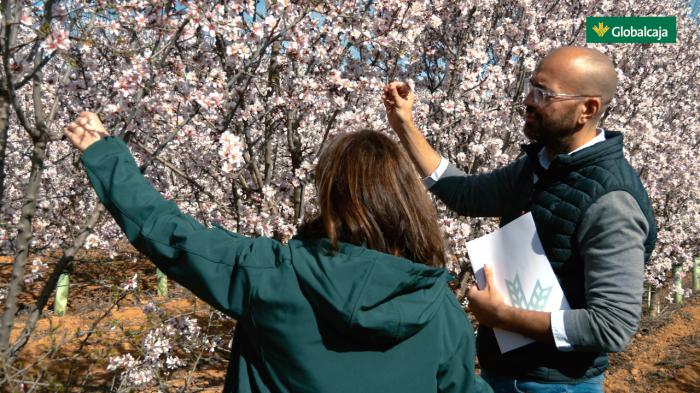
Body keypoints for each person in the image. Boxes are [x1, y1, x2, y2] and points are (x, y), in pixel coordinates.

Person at [64, 113, 493, 393]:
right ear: (407, 203)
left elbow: (173, 236)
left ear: (331, 196)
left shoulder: (272, 274)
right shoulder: (437, 307)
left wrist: (107, 158)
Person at [382, 46, 657, 392]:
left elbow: (611, 325)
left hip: (557, 384)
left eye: (543, 94)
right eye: (531, 87)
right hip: (504, 374)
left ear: (587, 109)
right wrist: (405, 125)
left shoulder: (611, 201)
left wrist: (503, 317)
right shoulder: (540, 166)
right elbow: (464, 194)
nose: (527, 100)